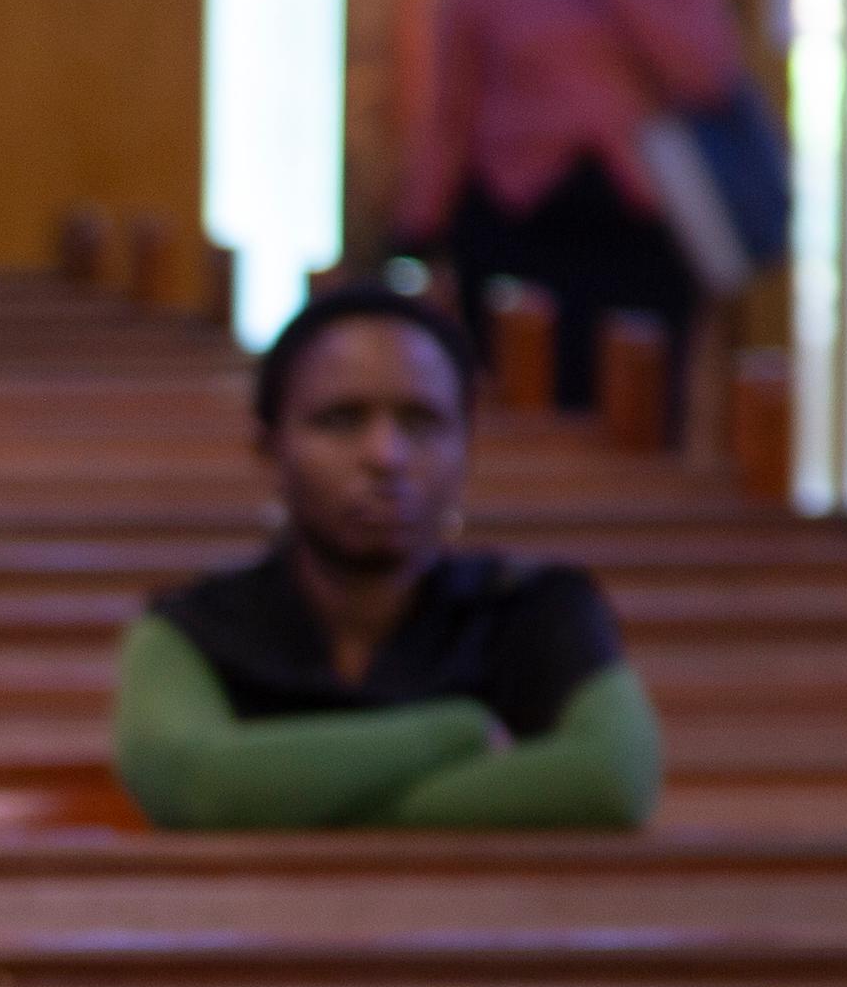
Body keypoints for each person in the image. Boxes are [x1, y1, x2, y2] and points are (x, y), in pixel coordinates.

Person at [111, 280, 662, 831]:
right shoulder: (192, 630)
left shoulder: (537, 610)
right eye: (341, 420)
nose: (386, 456)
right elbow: (194, 786)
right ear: (270, 446)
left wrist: (289, 802)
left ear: (465, 448)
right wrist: (460, 732)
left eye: (421, 422)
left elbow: (611, 781)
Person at [408, 0, 757, 414]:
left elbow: (706, 74)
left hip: (638, 224)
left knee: (642, 407)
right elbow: (450, 114)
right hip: (520, 222)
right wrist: (420, 222)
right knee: (521, 399)